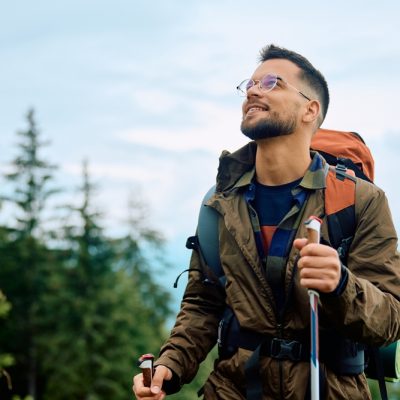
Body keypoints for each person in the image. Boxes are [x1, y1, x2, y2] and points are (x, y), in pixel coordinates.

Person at [132, 44, 400, 399]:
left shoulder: (358, 200)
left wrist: (340, 283)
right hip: (232, 390)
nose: (254, 91)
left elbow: (390, 320)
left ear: (310, 109)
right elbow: (203, 305)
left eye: (273, 83)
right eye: (251, 84)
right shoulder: (220, 204)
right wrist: (171, 364)